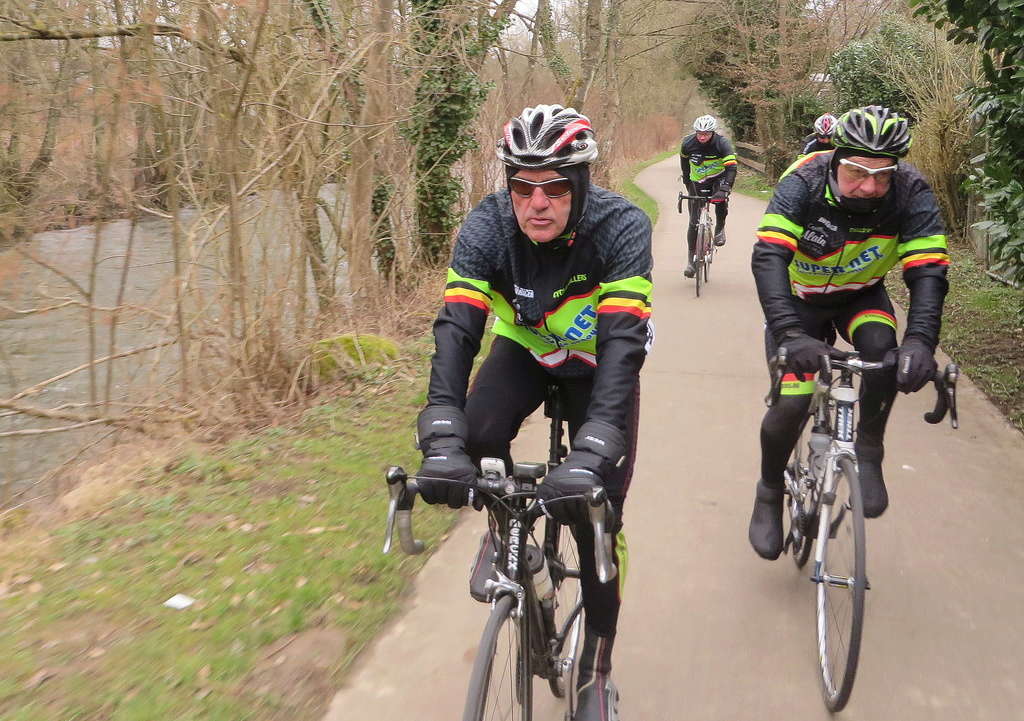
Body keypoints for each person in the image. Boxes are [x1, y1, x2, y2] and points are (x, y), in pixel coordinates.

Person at [415, 104, 653, 719]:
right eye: (522, 186)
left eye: (553, 188)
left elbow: (624, 346)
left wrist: (596, 449)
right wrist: (440, 432)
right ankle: (507, 536)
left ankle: (595, 671)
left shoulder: (620, 227)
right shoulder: (487, 228)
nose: (536, 202)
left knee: (597, 518)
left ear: (579, 186)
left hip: (599, 362)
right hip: (526, 348)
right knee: (475, 431)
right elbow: (456, 333)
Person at [748, 105, 949, 560]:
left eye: (882, 176)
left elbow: (929, 271)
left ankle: (870, 448)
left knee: (883, 352)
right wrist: (787, 332)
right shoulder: (803, 181)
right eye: (857, 172)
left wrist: (921, 340)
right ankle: (768, 490)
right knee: (793, 403)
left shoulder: (911, 190)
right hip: (798, 303)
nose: (869, 187)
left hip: (861, 295)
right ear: (835, 159)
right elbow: (769, 258)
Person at [679, 114, 737, 277]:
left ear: (712, 133)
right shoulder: (688, 143)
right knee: (693, 223)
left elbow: (731, 167)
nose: (702, 137)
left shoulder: (722, 144)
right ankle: (691, 261)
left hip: (718, 179)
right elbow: (683, 162)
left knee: (720, 200)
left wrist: (725, 187)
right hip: (697, 182)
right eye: (699, 133)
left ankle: (719, 227)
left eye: (706, 134)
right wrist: (686, 179)